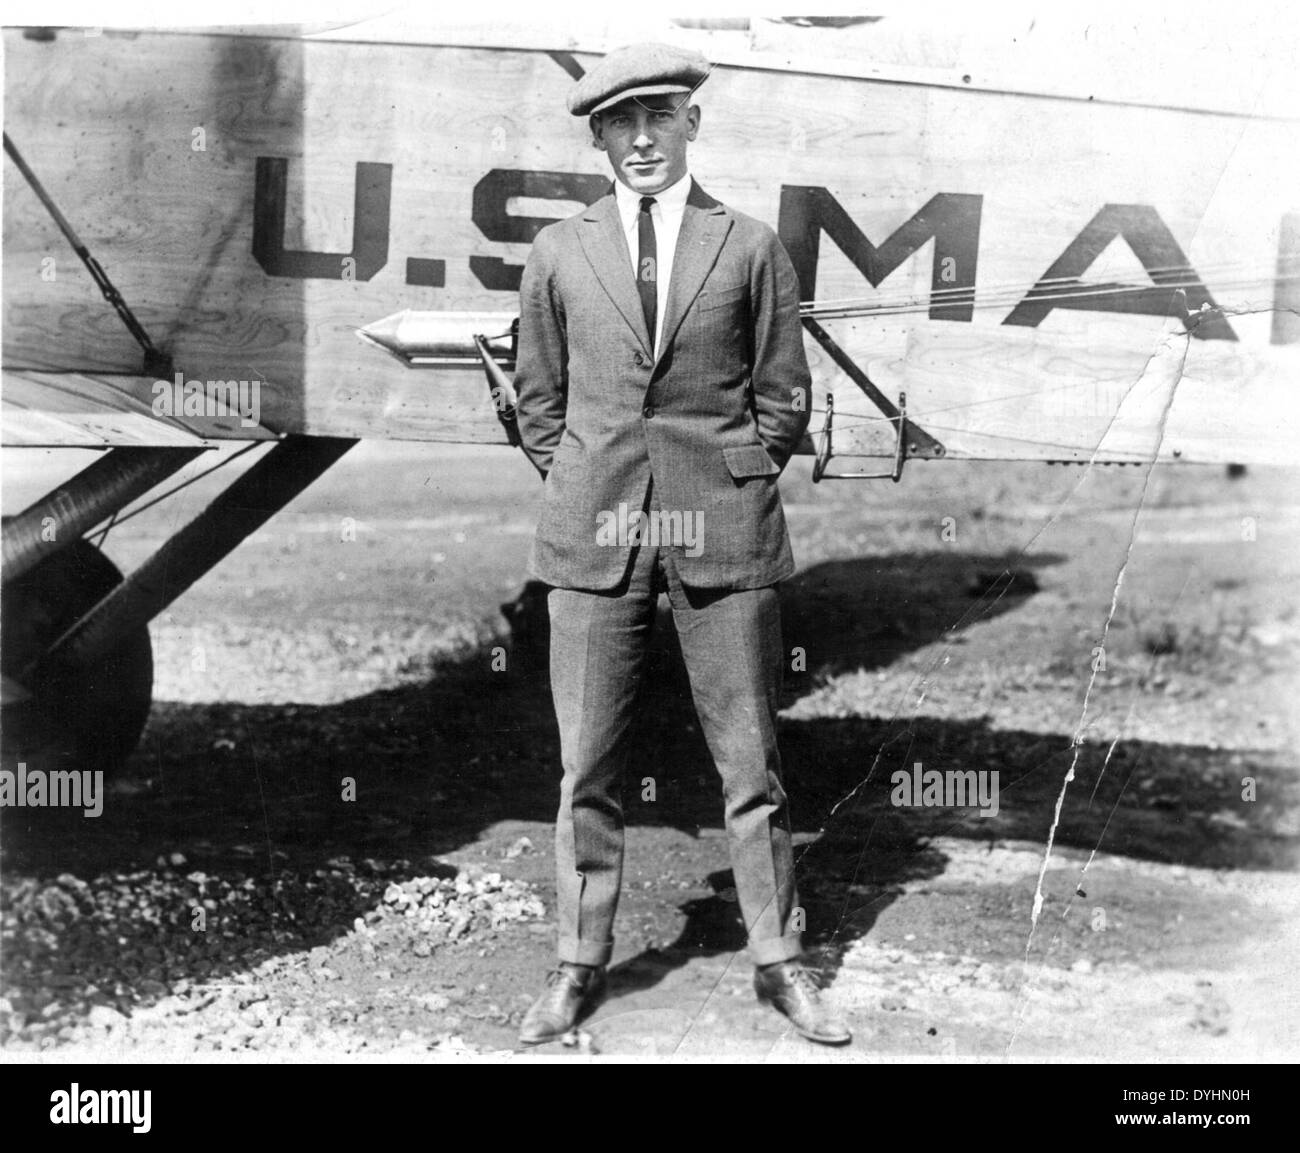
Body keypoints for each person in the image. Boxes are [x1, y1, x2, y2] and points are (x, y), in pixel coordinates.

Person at [513, 41, 850, 1047]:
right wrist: (587, 483)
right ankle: (578, 966)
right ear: (600, 138)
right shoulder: (559, 253)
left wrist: (729, 481)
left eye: (661, 116)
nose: (644, 138)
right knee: (587, 765)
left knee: (751, 762)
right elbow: (539, 403)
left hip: (722, 528)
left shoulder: (746, 246)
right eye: (623, 123)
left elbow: (781, 398)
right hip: (597, 530)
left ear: (691, 123)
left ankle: (777, 962)